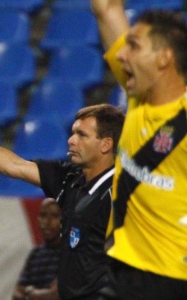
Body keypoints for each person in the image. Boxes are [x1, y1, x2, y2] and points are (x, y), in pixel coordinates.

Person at [0, 103, 124, 299]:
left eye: (82, 135)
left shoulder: (121, 193)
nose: (71, 140)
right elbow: (14, 165)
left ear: (106, 144)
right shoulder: (70, 179)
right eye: (73, 133)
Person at [91, 1, 187, 298]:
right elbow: (106, 8)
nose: (121, 54)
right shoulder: (138, 97)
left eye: (133, 45)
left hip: (172, 279)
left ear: (164, 58)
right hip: (122, 270)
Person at [13, 198, 61, 300]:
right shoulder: (36, 254)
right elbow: (17, 293)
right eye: (43, 216)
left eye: (54, 216)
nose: (47, 222)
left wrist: (29, 291)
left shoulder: (73, 254)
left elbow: (56, 295)